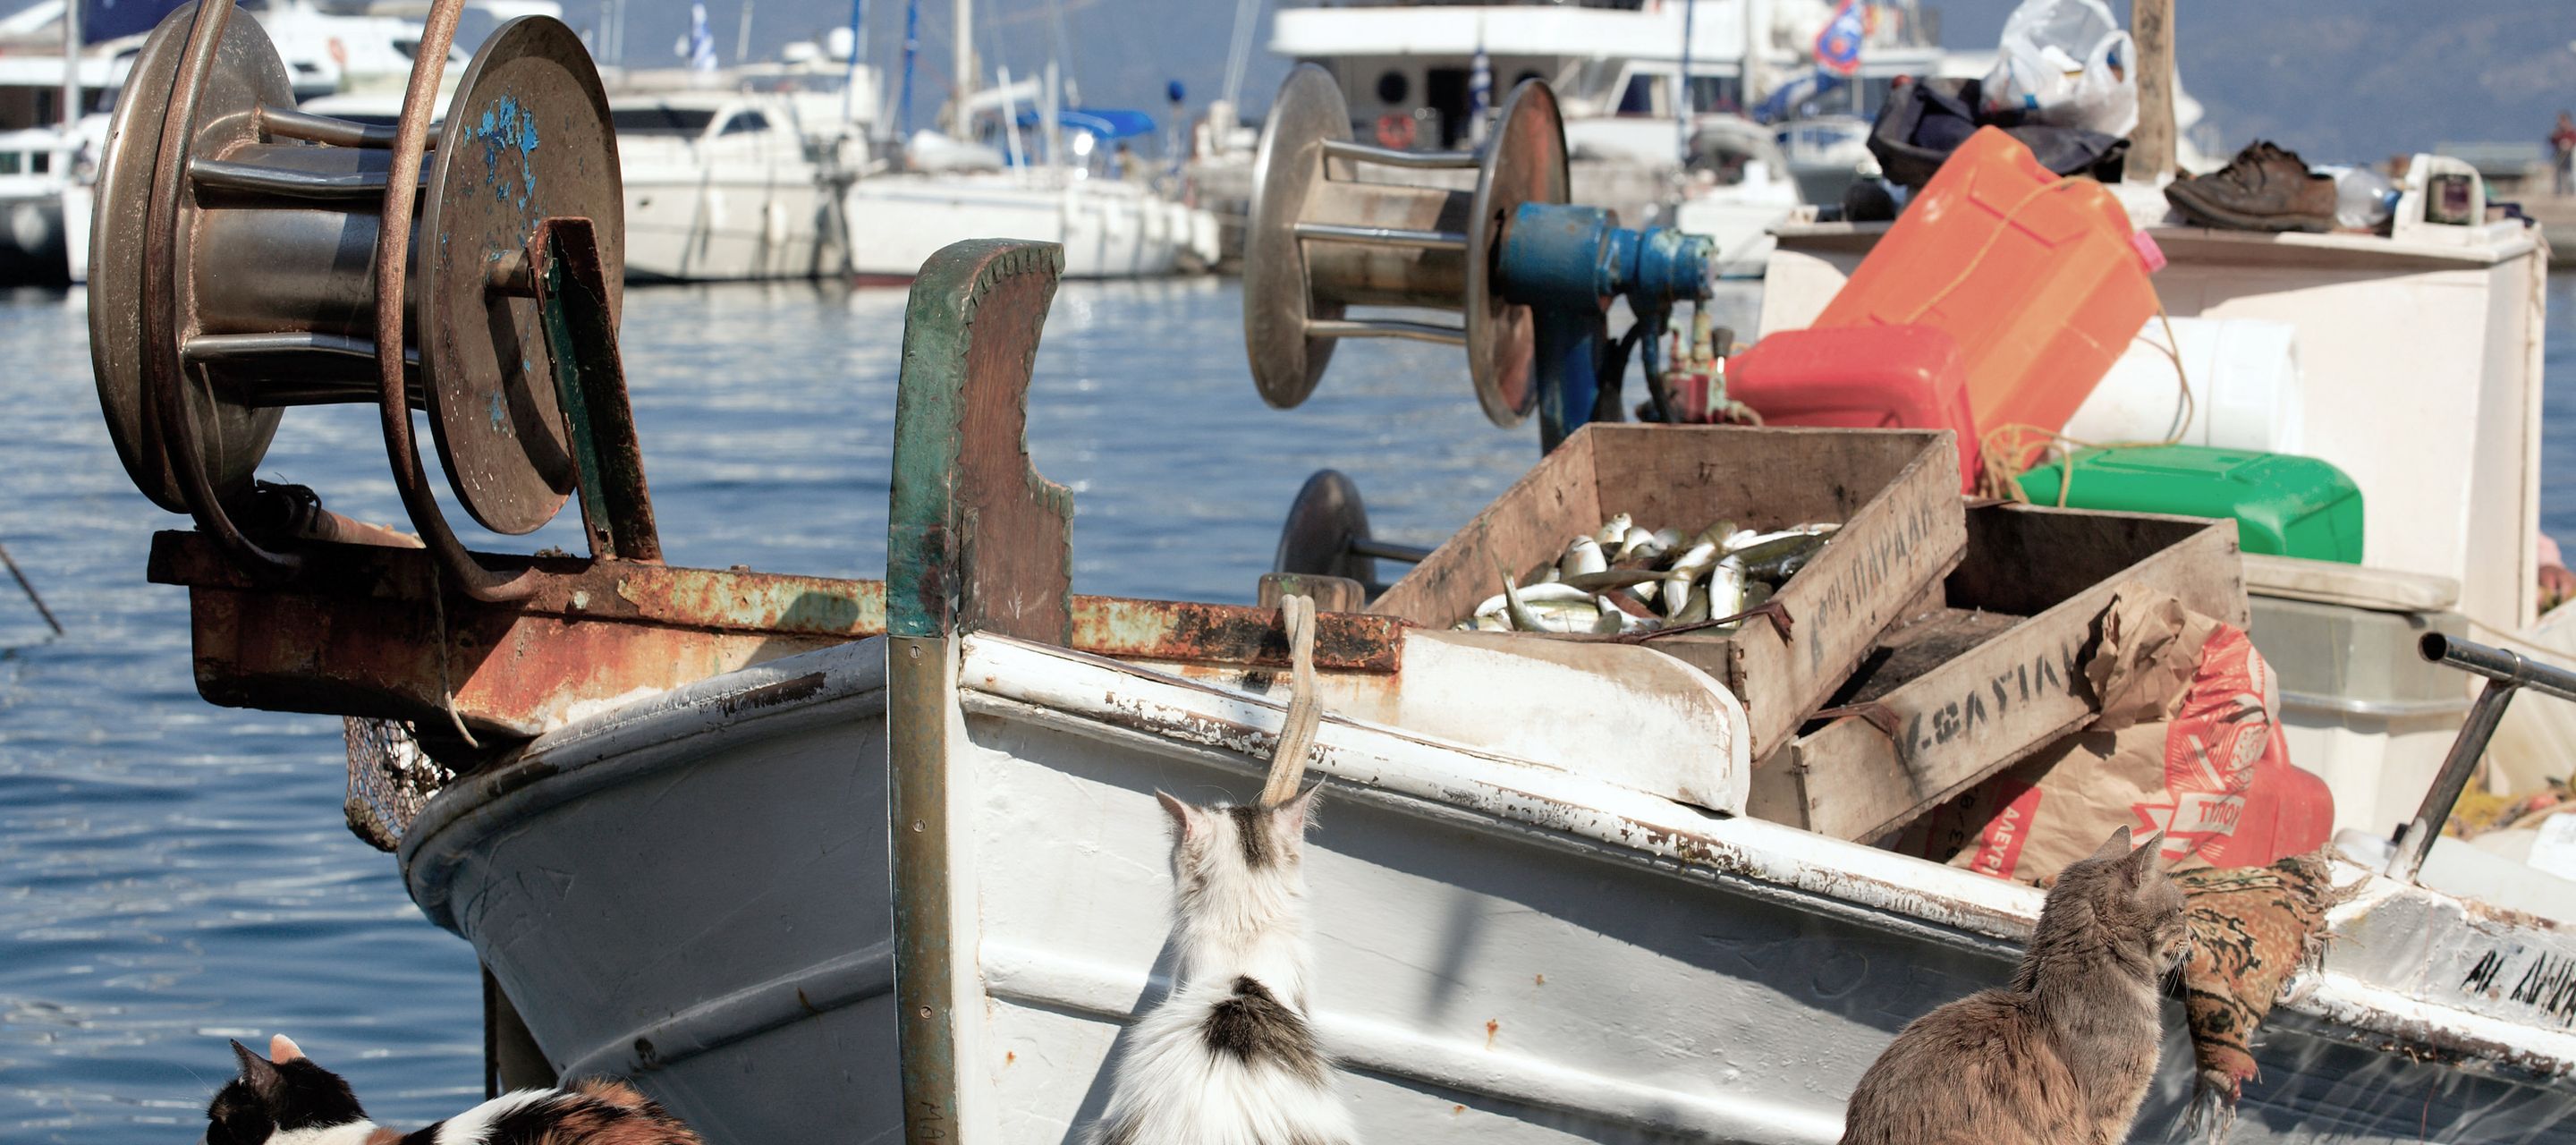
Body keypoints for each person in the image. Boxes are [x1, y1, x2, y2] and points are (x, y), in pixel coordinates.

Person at [2551, 112, 2576, 196]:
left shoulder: (2572, 131)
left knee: (2570, 173)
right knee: (2559, 173)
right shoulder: (2558, 132)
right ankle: (2559, 190)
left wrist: (2568, 144)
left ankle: (2572, 191)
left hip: (2570, 155)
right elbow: (2552, 141)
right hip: (2559, 154)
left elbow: (2573, 140)